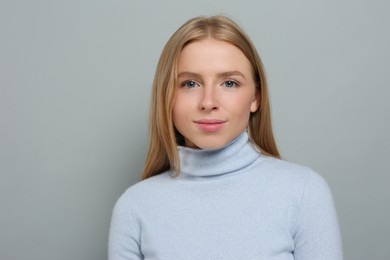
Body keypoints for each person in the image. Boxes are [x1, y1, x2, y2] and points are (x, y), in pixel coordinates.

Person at [108, 15, 343, 260]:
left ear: (255, 98)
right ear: (166, 97)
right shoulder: (135, 207)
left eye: (229, 83)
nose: (208, 102)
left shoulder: (304, 192)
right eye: (190, 84)